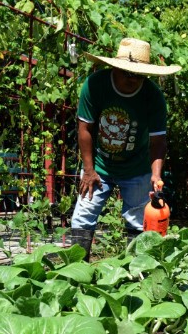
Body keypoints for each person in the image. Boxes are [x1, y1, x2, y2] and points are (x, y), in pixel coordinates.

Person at [69, 38, 181, 261]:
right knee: (83, 216)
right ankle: (76, 272)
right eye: (126, 73)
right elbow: (85, 129)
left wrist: (156, 175)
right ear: (114, 68)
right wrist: (89, 170)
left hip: (137, 167)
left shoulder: (153, 97)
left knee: (139, 220)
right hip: (99, 165)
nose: (132, 79)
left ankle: (135, 273)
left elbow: (158, 141)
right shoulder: (95, 85)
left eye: (138, 74)